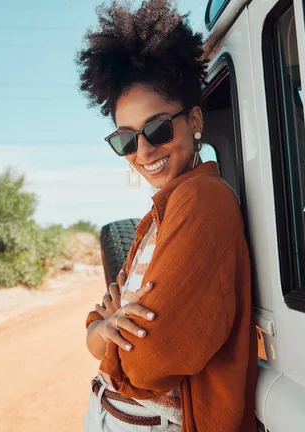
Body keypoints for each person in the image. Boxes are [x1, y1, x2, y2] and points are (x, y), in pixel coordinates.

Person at [76, 1, 257, 431]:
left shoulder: (203, 200)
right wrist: (106, 329)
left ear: (194, 120)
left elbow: (149, 362)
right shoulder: (161, 211)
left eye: (157, 129)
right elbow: (99, 329)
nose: (143, 152)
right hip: (109, 411)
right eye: (126, 140)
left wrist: (105, 331)